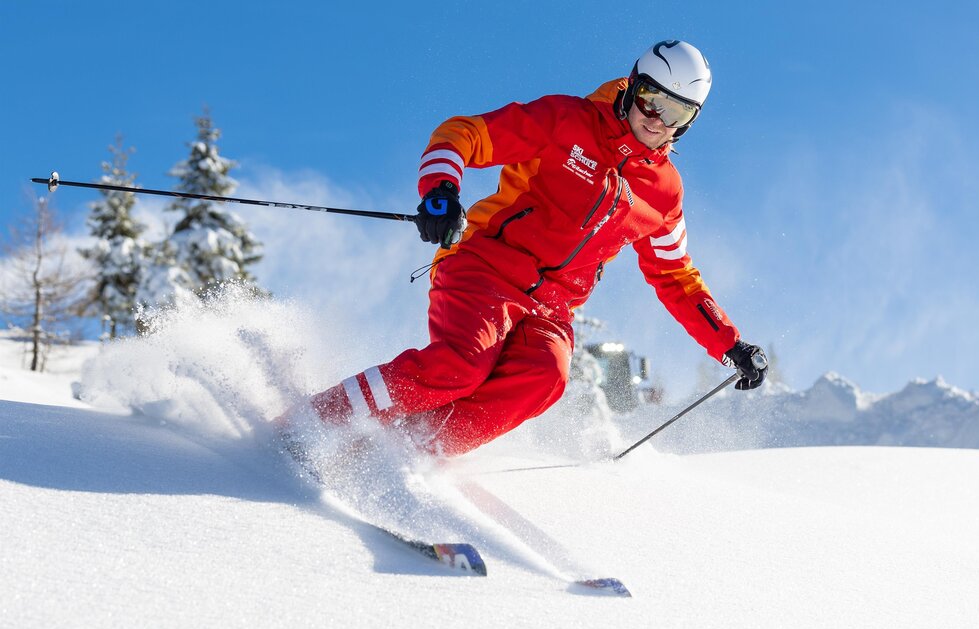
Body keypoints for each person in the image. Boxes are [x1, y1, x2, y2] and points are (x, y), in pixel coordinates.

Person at [278, 40, 769, 456]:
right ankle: (314, 422)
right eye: (649, 99)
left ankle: (412, 452)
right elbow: (463, 134)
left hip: (552, 309)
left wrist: (729, 344)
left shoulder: (664, 193)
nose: (657, 120)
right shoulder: (567, 121)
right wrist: (441, 191)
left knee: (544, 378)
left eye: (676, 112)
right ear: (633, 85)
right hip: (486, 266)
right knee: (460, 365)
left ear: (690, 120)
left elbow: (675, 275)